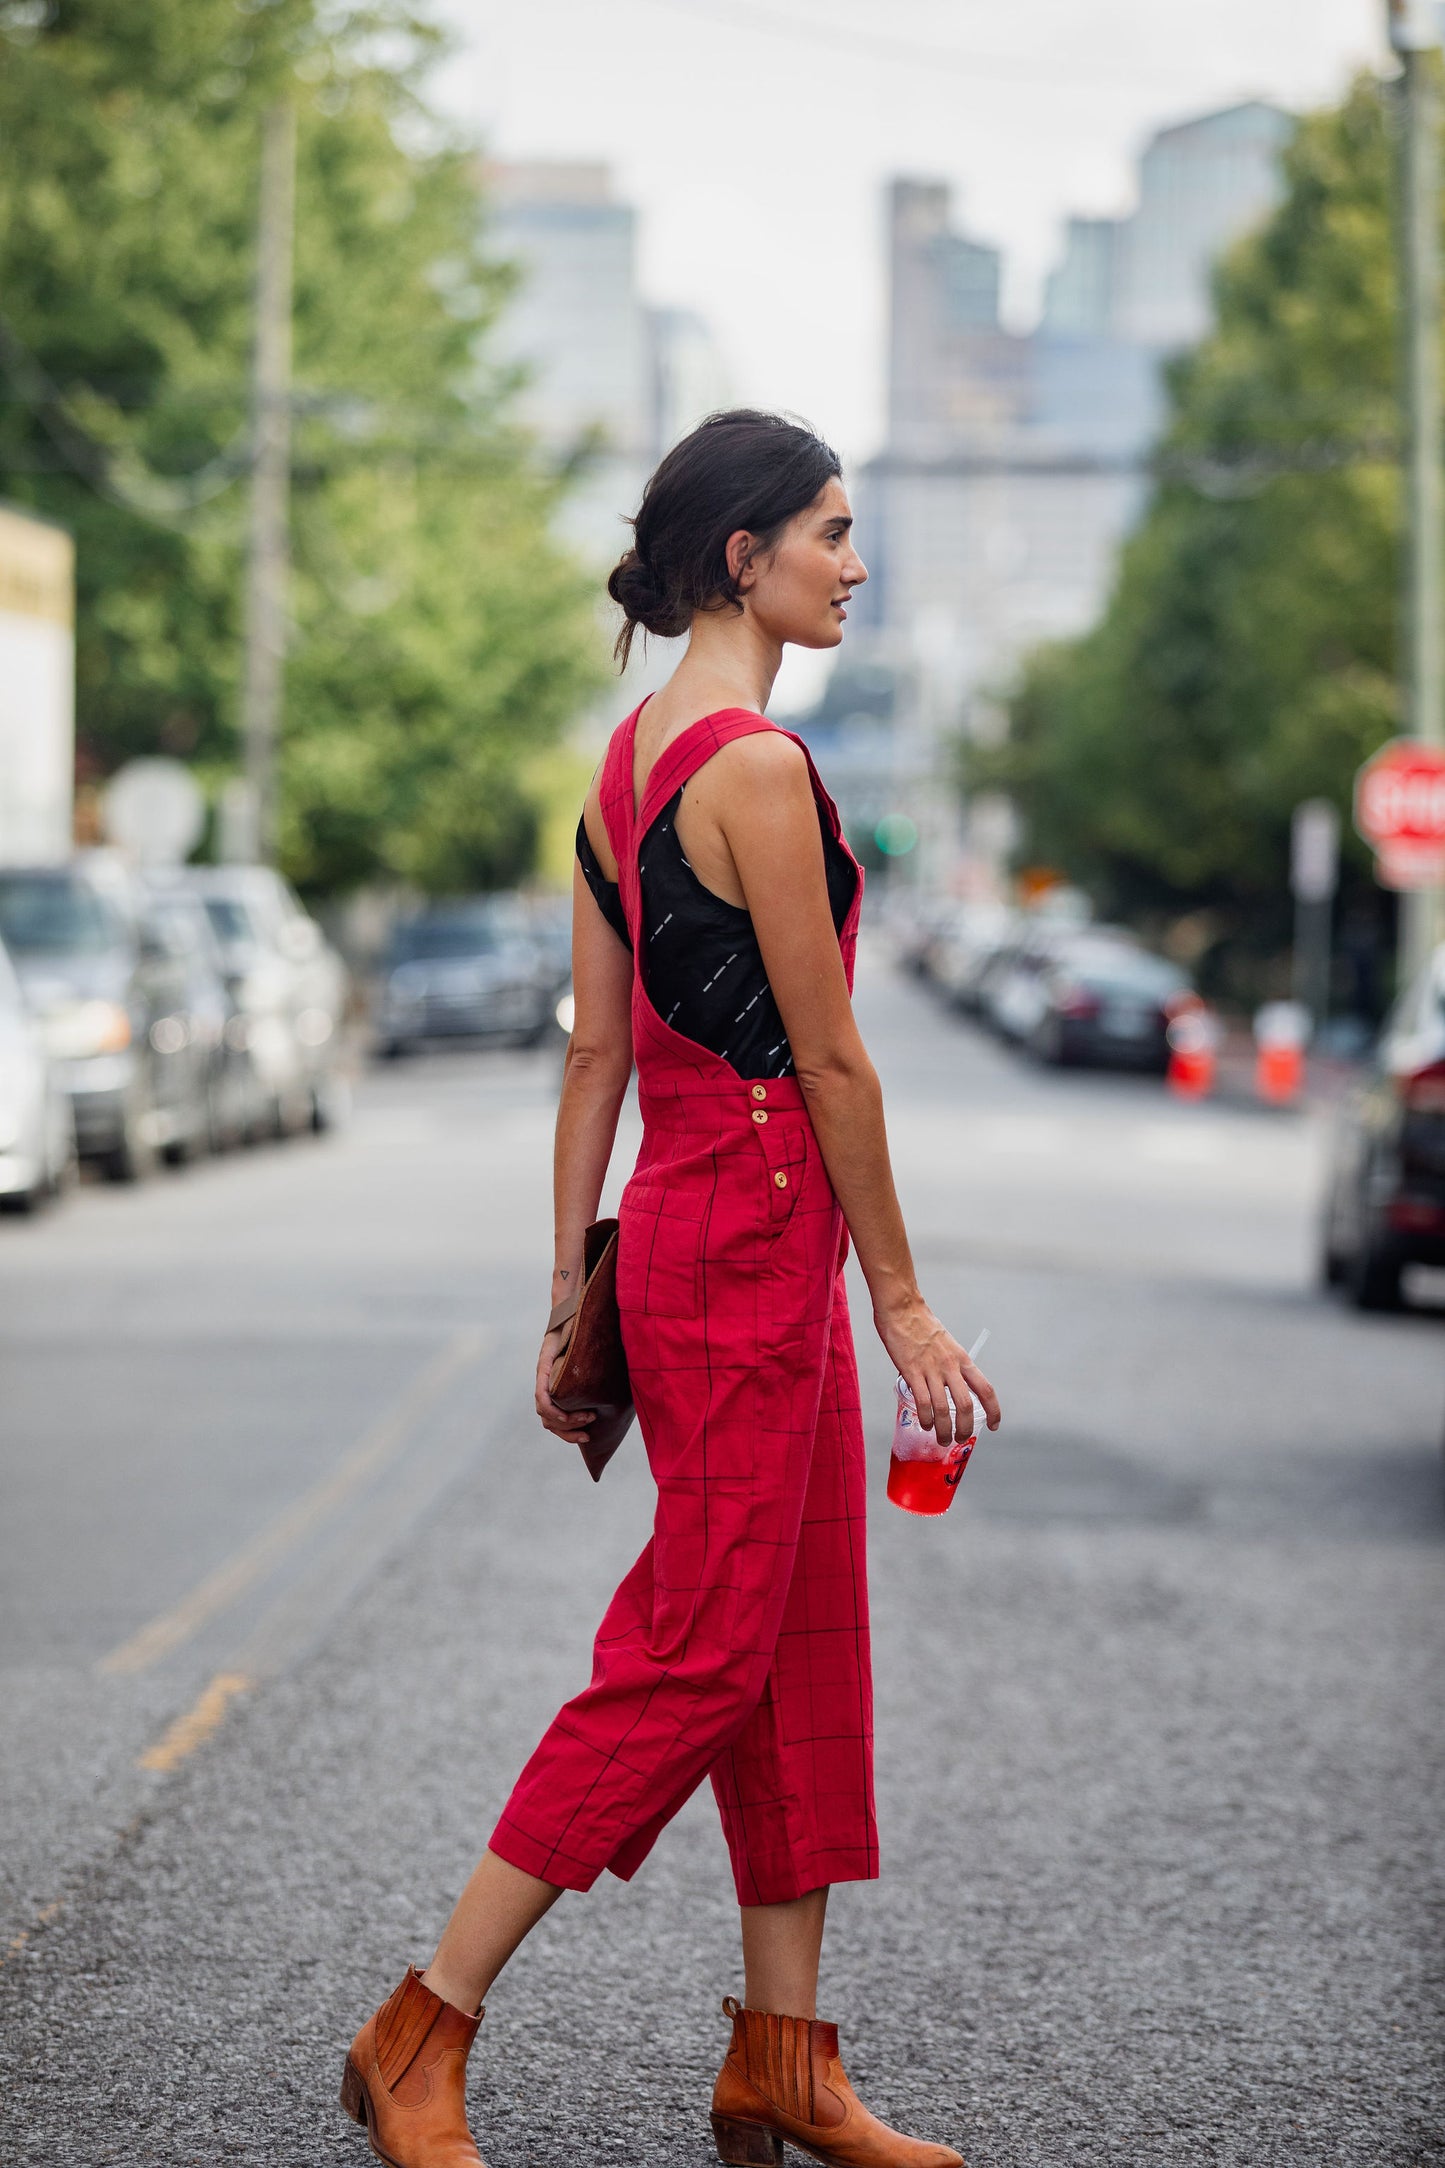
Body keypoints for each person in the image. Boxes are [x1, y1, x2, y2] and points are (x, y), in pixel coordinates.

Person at [340, 410, 1001, 2168]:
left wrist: (571, 1295)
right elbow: (834, 1064)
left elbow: (593, 1069)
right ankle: (422, 2025)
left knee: (790, 1645)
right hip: (758, 1238)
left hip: (691, 1234)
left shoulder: (623, 763)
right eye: (832, 534)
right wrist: (906, 1303)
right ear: (743, 558)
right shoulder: (758, 772)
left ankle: (780, 2058)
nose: (853, 567)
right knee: (691, 1650)